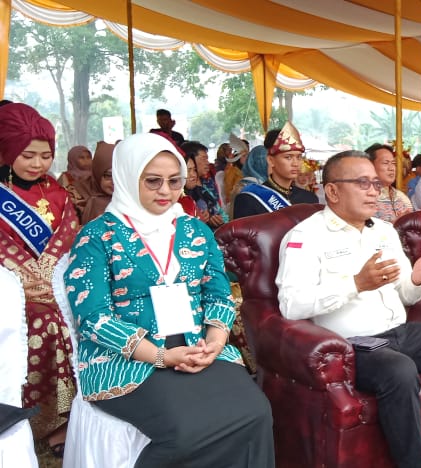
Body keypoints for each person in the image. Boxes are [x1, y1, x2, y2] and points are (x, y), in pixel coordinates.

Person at [276, 152, 421, 468]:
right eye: (362, 183)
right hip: (353, 345)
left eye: (376, 183)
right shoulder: (305, 237)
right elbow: (291, 305)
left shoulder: (383, 230)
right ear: (333, 191)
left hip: (401, 332)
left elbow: (406, 295)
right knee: (399, 370)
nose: (373, 190)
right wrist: (355, 283)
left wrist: (417, 278)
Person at [64, 132, 274, 467]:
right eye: (153, 181)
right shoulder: (96, 236)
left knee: (256, 412)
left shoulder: (194, 230)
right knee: (186, 431)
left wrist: (215, 342)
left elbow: (219, 293)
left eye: (174, 181)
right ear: (127, 177)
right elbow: (93, 318)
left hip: (197, 348)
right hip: (129, 361)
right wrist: (162, 356)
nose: (165, 191)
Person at [0, 103, 77, 454]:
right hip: (10, 289)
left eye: (45, 155)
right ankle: (28, 419)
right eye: (28, 155)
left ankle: (63, 421)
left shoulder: (59, 194)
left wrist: (47, 274)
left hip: (54, 284)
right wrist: (23, 277)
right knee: (38, 320)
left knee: (67, 318)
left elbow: (67, 237)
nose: (37, 164)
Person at [233, 123, 319, 219]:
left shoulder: (309, 199)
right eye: (288, 157)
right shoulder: (250, 198)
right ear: (271, 160)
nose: (295, 163)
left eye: (298, 157)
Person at [181, 141, 227, 229]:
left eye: (194, 170)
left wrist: (220, 219)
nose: (207, 163)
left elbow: (221, 211)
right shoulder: (183, 197)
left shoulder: (208, 184)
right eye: (203, 158)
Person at [365, 144, 414, 223]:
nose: (391, 168)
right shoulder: (363, 198)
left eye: (393, 163)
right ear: (369, 165)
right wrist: (395, 224)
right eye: (385, 163)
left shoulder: (401, 197)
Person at [80, 141, 116, 223]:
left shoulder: (131, 198)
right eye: (108, 175)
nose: (114, 182)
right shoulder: (77, 198)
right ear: (97, 173)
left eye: (118, 176)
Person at [58, 145, 91, 214]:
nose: (86, 160)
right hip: (72, 215)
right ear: (73, 159)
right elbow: (60, 200)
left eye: (89, 157)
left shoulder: (97, 176)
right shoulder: (65, 177)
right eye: (81, 158)